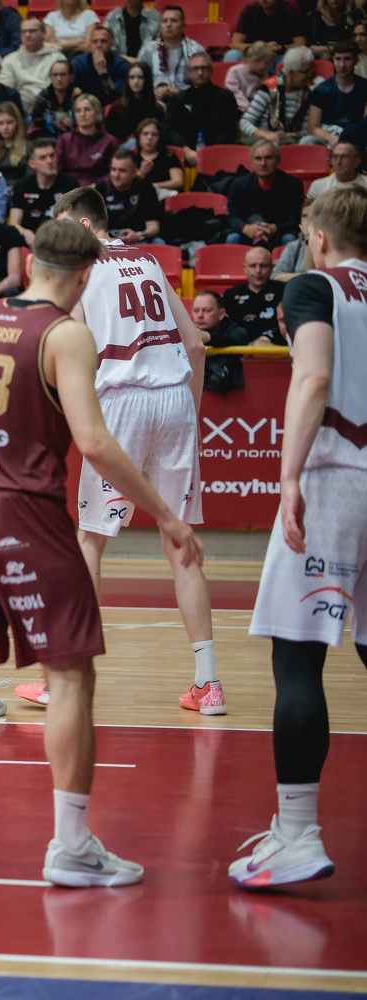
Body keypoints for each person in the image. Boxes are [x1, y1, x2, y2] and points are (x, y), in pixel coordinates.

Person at [0, 217, 201, 884]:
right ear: (85, 277)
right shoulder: (66, 334)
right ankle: (73, 845)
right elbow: (95, 442)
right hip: (23, 510)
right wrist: (166, 514)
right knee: (71, 677)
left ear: (29, 263)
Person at [231, 183, 367, 890]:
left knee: (299, 657)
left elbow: (313, 377)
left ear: (318, 237)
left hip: (338, 476)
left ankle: (297, 833)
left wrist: (288, 478)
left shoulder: (316, 286)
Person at [48, 186, 218, 714]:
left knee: (90, 539)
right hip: (175, 399)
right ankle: (209, 683)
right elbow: (195, 343)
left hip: (121, 401)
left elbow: (71, 348)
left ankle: (67, 679)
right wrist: (188, 414)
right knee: (180, 543)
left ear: (82, 223)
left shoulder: (81, 269)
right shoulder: (148, 260)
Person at [165, 52, 242, 165]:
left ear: (211, 71)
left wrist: (211, 152)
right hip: (185, 155)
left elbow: (230, 130)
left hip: (219, 155)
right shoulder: (178, 100)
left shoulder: (226, 97)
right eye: (195, 69)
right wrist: (185, 150)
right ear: (189, 72)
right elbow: (170, 129)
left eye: (204, 68)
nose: (200, 73)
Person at [226, 140, 304, 246]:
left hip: (280, 232)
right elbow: (232, 217)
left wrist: (274, 228)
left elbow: (294, 220)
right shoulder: (239, 184)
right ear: (252, 162)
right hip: (250, 232)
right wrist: (246, 228)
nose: (263, 163)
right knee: (233, 238)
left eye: (268, 158)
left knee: (290, 239)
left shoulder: (293, 184)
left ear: (278, 160)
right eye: (258, 158)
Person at [241, 45, 316, 145]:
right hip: (264, 140)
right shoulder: (268, 89)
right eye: (306, 72)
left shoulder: (307, 94)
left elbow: (306, 130)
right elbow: (245, 122)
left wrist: (288, 135)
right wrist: (266, 135)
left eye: (311, 72)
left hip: (291, 141)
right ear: (291, 72)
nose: (309, 76)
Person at [9, 138, 77, 244]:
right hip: (31, 241)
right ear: (32, 164)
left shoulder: (70, 185)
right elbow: (14, 224)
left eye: (52, 156)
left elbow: (76, 221)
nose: (49, 161)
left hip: (61, 240)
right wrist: (25, 232)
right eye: (43, 158)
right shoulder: (22, 186)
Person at [221, 245, 287, 345]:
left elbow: (290, 323)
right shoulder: (231, 294)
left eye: (263, 266)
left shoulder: (285, 291)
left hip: (274, 346)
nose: (258, 271)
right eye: (253, 266)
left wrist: (267, 338)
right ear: (245, 268)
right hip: (238, 347)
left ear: (272, 267)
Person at [307, 40, 367, 147]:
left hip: (356, 136)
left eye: (347, 59)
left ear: (356, 60)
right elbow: (313, 128)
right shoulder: (321, 89)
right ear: (333, 60)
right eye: (338, 59)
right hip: (329, 136)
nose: (342, 65)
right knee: (308, 140)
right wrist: (333, 138)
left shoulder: (365, 87)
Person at [95, 148, 162, 243]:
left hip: (137, 240)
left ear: (134, 172)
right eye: (113, 169)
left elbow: (154, 227)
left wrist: (139, 235)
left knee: (159, 242)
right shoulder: (102, 187)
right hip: (107, 241)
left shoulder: (146, 188)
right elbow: (91, 226)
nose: (116, 175)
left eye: (122, 171)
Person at [1, 17, 63, 113]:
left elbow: (61, 87)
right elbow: (5, 90)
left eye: (32, 31)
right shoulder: (9, 60)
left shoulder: (57, 58)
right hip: (19, 107)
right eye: (24, 31)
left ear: (44, 33)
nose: (27, 35)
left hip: (49, 105)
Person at [57, 94, 118, 186]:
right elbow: (58, 170)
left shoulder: (109, 141)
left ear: (98, 113)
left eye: (87, 109)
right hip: (70, 188)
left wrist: (98, 186)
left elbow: (114, 171)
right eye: (78, 111)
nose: (82, 114)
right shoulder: (64, 140)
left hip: (99, 188)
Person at [104, 60, 162, 143]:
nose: (135, 81)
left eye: (140, 77)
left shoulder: (156, 109)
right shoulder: (117, 108)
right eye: (132, 77)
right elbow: (108, 136)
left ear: (147, 79)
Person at [228, 0, 307, 61]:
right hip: (254, 56)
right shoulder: (249, 10)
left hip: (280, 55)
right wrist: (262, 48)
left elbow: (301, 44)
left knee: (295, 59)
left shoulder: (292, 10)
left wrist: (281, 48)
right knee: (232, 55)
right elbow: (235, 44)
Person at [73, 25, 130, 103]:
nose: (99, 45)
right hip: (84, 105)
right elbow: (72, 88)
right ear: (89, 46)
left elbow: (119, 97)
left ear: (112, 45)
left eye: (103, 41)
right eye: (95, 42)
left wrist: (103, 74)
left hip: (112, 106)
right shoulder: (79, 63)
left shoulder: (122, 65)